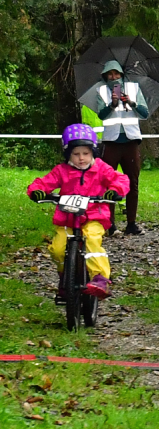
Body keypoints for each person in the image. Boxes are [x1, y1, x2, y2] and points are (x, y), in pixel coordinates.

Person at [27, 124, 129, 301]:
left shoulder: (101, 169)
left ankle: (100, 278)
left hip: (94, 216)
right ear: (68, 154)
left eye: (86, 153)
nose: (81, 158)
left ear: (93, 153)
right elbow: (43, 182)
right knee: (57, 249)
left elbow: (120, 179)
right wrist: (37, 191)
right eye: (76, 154)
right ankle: (65, 278)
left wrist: (115, 190)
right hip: (67, 219)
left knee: (91, 239)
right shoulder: (62, 171)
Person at [96, 60, 148, 236]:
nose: (113, 77)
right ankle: (110, 224)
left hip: (131, 140)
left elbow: (145, 113)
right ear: (105, 76)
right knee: (108, 183)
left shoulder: (133, 88)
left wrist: (131, 102)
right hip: (111, 142)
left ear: (122, 74)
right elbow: (101, 114)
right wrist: (112, 104)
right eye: (110, 74)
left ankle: (131, 223)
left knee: (133, 182)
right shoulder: (101, 91)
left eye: (116, 73)